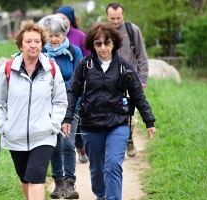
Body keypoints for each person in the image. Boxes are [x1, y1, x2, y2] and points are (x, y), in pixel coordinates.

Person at [61, 22, 156, 200]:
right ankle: (101, 195)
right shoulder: (84, 65)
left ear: (114, 43)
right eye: (98, 43)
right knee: (97, 168)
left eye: (107, 43)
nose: (103, 47)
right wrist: (67, 118)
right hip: (91, 124)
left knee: (113, 165)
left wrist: (149, 121)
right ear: (92, 45)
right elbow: (72, 92)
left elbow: (138, 96)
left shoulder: (124, 67)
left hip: (118, 124)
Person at [0, 20, 68, 200]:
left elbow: (60, 100)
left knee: (36, 178)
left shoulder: (51, 69)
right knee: (25, 177)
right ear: (20, 44)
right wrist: (3, 126)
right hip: (14, 135)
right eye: (28, 41)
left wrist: (54, 124)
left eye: (37, 41)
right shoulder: (8, 69)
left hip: (43, 134)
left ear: (42, 44)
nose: (33, 45)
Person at [42, 14, 83, 199]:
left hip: (70, 105)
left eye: (57, 35)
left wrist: (76, 103)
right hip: (47, 106)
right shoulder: (42, 53)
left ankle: (70, 183)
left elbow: (81, 80)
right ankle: (58, 184)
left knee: (68, 143)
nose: (53, 39)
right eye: (50, 35)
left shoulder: (74, 52)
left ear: (64, 33)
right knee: (54, 145)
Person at [106, 2, 149, 157]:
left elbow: (141, 56)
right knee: (109, 111)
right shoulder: (102, 31)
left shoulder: (132, 30)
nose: (116, 21)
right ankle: (113, 142)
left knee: (131, 114)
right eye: (112, 18)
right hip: (108, 79)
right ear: (107, 16)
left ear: (123, 15)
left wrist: (142, 78)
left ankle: (129, 139)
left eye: (118, 18)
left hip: (130, 80)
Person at [56, 5, 90, 163]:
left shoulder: (80, 36)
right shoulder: (51, 37)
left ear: (70, 19)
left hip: (79, 80)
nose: (61, 21)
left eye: (64, 18)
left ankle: (80, 145)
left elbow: (87, 56)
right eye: (58, 17)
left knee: (79, 116)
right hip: (59, 89)